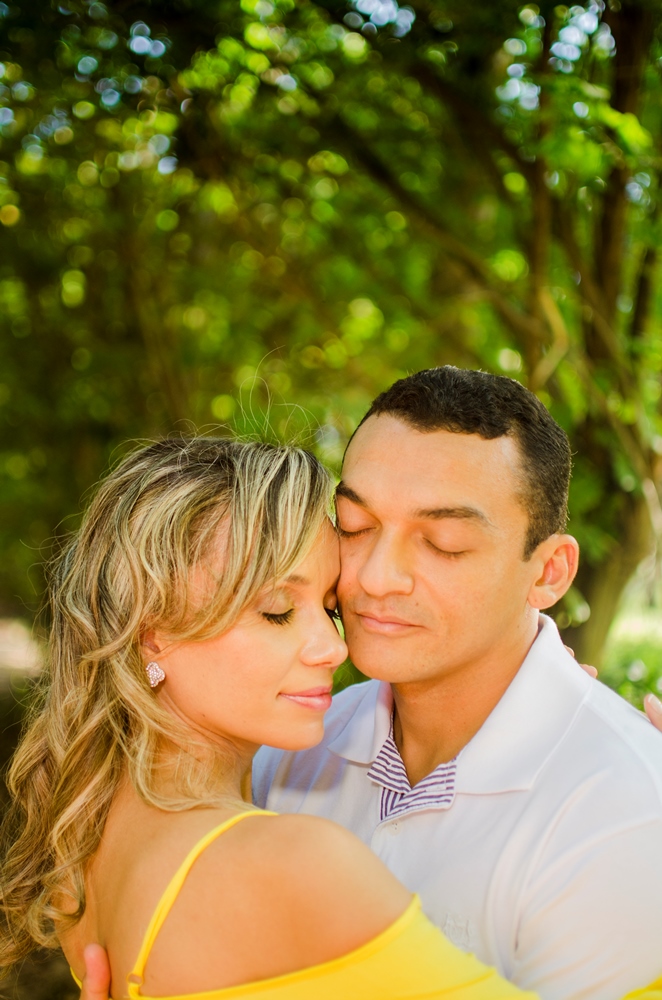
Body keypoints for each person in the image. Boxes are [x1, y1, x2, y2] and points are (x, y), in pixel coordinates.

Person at [0, 436, 554, 1000]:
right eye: (278, 611)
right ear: (151, 632)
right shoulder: (289, 863)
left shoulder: (85, 851)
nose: (332, 649)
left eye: (329, 609)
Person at [251, 368, 662, 1000]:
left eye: (443, 544)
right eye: (355, 526)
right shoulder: (286, 745)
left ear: (549, 572)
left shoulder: (625, 816)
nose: (376, 577)